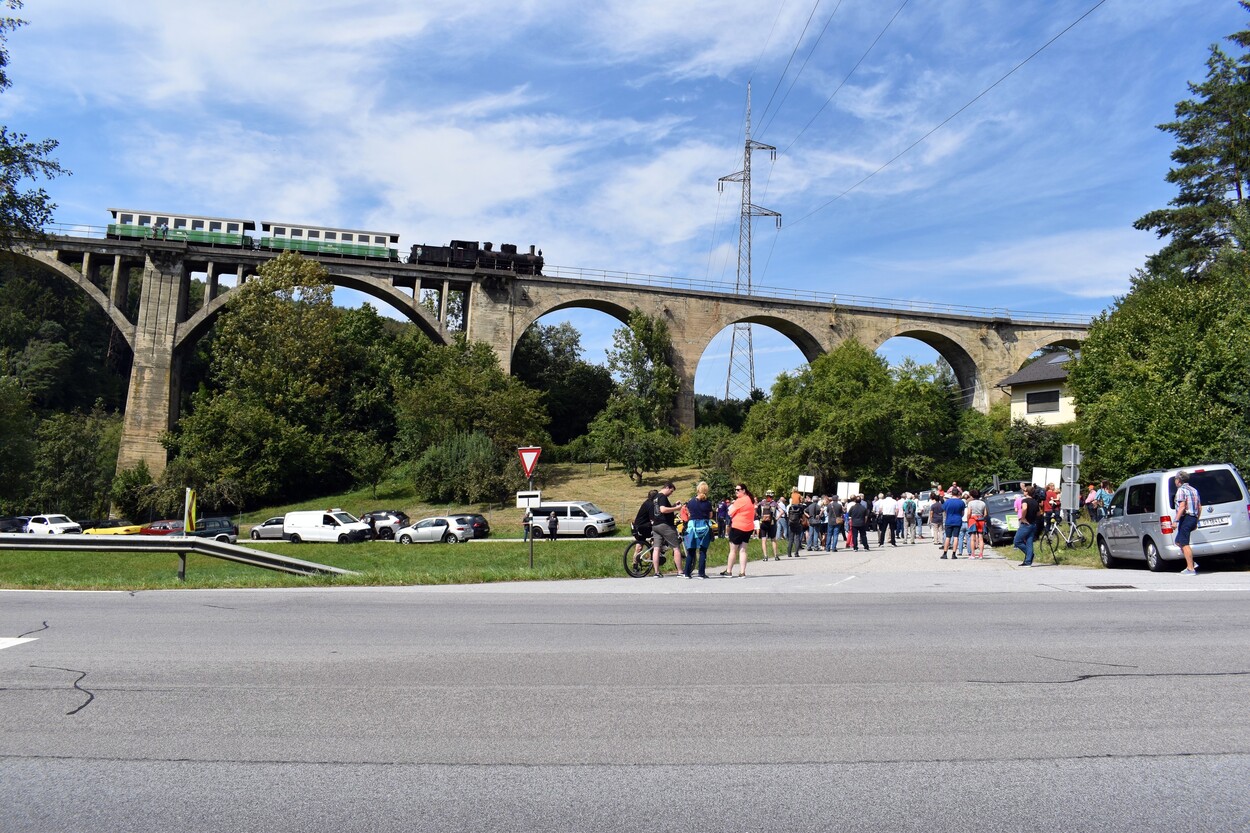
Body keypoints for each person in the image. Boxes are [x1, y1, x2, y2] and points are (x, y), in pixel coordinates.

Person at [650, 482, 687, 577]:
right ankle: (680, 571)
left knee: (656, 549)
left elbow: (660, 510)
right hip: (665, 525)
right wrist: (676, 508)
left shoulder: (656, 497)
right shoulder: (662, 497)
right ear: (667, 487)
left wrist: (673, 505)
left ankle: (656, 572)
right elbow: (662, 510)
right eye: (671, 491)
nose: (671, 494)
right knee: (676, 548)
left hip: (656, 525)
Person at [723, 484, 755, 577]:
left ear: (744, 490)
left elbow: (729, 512)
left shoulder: (740, 500)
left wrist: (733, 507)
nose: (736, 491)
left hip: (738, 526)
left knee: (733, 550)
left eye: (738, 489)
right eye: (735, 490)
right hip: (748, 527)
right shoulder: (751, 499)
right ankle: (742, 572)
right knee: (743, 550)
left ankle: (729, 571)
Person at [683, 482, 715, 579]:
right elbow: (710, 516)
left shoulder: (691, 502)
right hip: (704, 527)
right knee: (703, 551)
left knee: (691, 551)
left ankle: (687, 573)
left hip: (693, 527)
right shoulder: (708, 503)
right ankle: (701, 573)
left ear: (698, 490)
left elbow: (688, 513)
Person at [1173, 471, 1202, 575]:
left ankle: (1191, 569)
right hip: (1193, 517)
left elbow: (1182, 507)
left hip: (1186, 518)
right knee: (1178, 541)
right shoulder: (1194, 490)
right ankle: (1191, 563)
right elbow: (1199, 507)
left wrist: (1175, 521)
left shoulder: (1181, 490)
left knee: (1184, 543)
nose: (1175, 481)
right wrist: (1196, 521)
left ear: (1179, 480)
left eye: (1175, 479)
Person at [1014, 485, 1041, 566]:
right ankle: (1028, 561)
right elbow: (1039, 513)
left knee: (1017, 541)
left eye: (1025, 490)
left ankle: (1030, 555)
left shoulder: (1025, 500)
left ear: (1027, 492)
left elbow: (1025, 508)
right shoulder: (1035, 502)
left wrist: (1022, 518)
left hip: (1026, 524)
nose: (1023, 492)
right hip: (1033, 524)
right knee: (1029, 542)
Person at [630, 489, 659, 565]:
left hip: (637, 528)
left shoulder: (646, 503)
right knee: (659, 534)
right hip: (643, 528)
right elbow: (653, 520)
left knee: (639, 547)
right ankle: (653, 557)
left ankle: (635, 564)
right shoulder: (651, 505)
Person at [941, 488, 966, 559]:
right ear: (958, 493)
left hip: (949, 520)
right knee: (956, 537)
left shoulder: (947, 502)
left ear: (951, 493)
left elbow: (944, 511)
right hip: (957, 520)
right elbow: (962, 513)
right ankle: (954, 554)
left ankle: (945, 553)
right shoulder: (961, 502)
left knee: (948, 537)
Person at [757, 489, 780, 561]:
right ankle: (776, 555)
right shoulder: (774, 503)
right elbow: (782, 511)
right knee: (773, 539)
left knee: (764, 540)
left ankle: (765, 556)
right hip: (772, 522)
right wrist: (776, 518)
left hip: (763, 522)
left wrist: (758, 516)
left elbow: (754, 508)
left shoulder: (762, 502)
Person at [966, 488, 987, 558]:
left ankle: (973, 554)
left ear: (972, 495)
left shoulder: (970, 503)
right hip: (981, 520)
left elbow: (969, 513)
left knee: (973, 538)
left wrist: (968, 519)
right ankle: (981, 554)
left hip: (973, 520)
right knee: (981, 538)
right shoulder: (983, 503)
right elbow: (985, 514)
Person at [785, 490, 805, 557]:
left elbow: (788, 515)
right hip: (798, 524)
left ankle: (789, 553)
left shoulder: (790, 507)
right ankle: (796, 553)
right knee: (797, 538)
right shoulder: (801, 507)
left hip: (791, 523)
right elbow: (803, 516)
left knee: (791, 538)